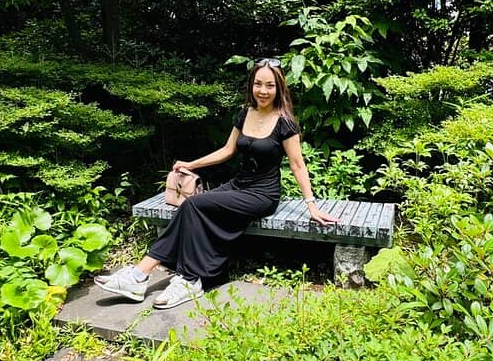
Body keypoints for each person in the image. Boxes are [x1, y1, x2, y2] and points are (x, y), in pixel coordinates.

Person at [96, 57, 339, 309]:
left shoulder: (285, 123)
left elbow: (298, 165)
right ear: (251, 85)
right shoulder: (245, 113)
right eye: (258, 84)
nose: (262, 91)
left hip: (263, 194)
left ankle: (174, 278)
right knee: (192, 209)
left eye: (269, 86)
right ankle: (150, 278)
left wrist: (311, 205)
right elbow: (227, 150)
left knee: (194, 205)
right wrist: (191, 164)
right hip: (238, 185)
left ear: (279, 88)